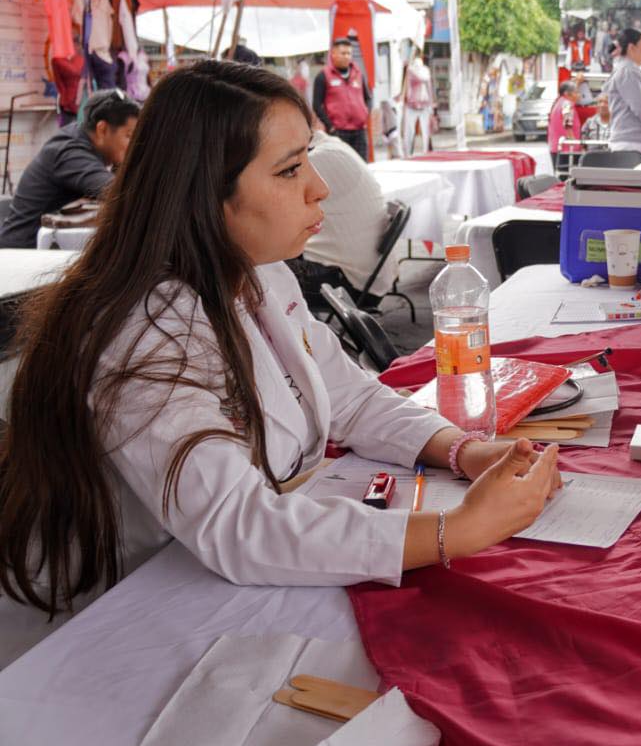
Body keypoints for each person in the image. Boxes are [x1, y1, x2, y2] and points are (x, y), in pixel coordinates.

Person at [0, 60, 561, 669]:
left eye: (309, 159)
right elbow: (238, 525)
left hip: (210, 586)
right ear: (205, 193)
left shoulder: (257, 272)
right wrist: (455, 530)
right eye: (290, 169)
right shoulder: (143, 330)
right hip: (108, 624)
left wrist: (463, 450)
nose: (319, 187)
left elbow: (349, 395)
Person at [0, 89, 139, 249]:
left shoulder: (82, 140)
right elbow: (120, 193)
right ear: (102, 129)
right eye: (129, 136)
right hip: (23, 255)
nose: (135, 145)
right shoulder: (69, 152)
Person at [290, 129, 395, 305]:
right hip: (371, 277)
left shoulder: (316, 158)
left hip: (351, 284)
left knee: (264, 271)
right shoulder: (334, 145)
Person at [601, 29, 641, 158]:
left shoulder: (629, 71)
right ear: (631, 48)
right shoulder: (627, 72)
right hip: (632, 145)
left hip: (636, 144)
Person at [313, 38, 372, 161]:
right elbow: (317, 104)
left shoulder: (359, 74)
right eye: (343, 53)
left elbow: (368, 98)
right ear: (333, 54)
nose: (346, 57)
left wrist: (365, 114)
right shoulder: (323, 76)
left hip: (360, 131)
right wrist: (330, 126)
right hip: (338, 132)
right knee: (342, 168)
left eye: (349, 53)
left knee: (362, 168)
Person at [547, 80, 582, 173]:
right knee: (566, 177)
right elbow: (567, 122)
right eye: (576, 92)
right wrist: (574, 142)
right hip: (567, 149)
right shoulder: (567, 104)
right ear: (567, 94)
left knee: (559, 175)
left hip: (557, 147)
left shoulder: (558, 102)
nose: (579, 95)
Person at [51, 35, 84, 127]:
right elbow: (59, 82)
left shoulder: (82, 60)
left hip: (80, 100)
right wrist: (65, 97)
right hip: (67, 102)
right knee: (67, 130)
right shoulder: (58, 61)